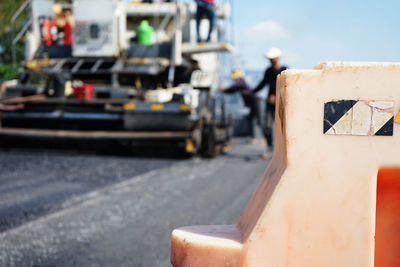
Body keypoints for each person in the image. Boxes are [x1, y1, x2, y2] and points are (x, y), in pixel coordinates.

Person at [253, 47, 288, 159]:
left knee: (283, 126)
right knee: (267, 126)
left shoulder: (285, 71)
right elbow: (263, 83)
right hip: (270, 103)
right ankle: (270, 148)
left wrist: (277, 96)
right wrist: (252, 91)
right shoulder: (268, 71)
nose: (271, 60)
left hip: (282, 102)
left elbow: (288, 86)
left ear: (277, 58)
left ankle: (283, 150)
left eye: (273, 58)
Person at [220, 70, 258, 143]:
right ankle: (253, 137)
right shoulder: (240, 82)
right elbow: (232, 90)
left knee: (257, 120)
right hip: (252, 102)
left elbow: (233, 88)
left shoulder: (241, 81)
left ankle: (259, 138)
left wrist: (224, 89)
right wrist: (224, 90)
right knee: (251, 119)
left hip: (255, 101)